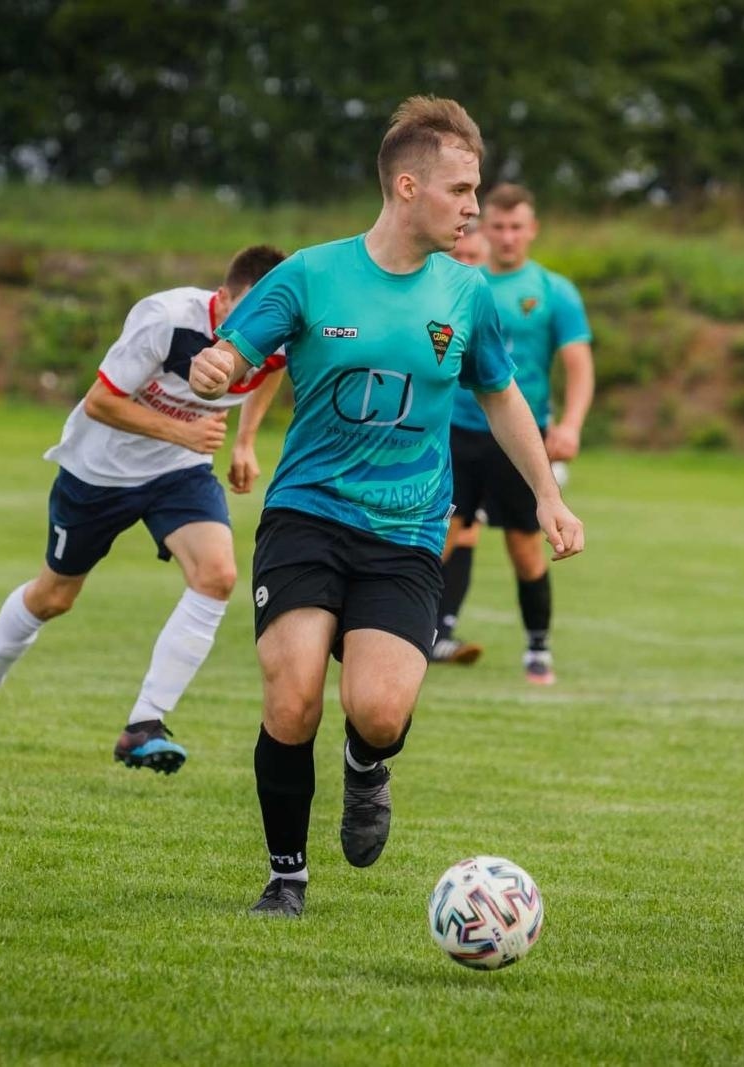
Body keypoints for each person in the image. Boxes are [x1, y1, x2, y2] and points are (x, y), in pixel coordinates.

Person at [189, 96, 585, 917]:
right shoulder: (311, 273)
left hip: (407, 531)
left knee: (376, 709)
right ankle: (286, 875)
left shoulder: (467, 293)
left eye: (477, 191)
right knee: (292, 695)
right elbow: (236, 347)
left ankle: (367, 767)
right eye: (460, 189)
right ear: (408, 187)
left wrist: (546, 493)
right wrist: (217, 368)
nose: (474, 207)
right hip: (308, 513)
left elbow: (504, 398)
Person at [0, 245, 288, 770]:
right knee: (54, 596)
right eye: (243, 313)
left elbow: (270, 371)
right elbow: (100, 402)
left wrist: (245, 441)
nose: (253, 330)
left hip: (178, 472)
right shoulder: (166, 319)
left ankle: (144, 725)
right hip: (97, 472)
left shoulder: (277, 331)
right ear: (221, 299)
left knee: (217, 575)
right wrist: (186, 430)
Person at [430, 183, 594, 684]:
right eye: (497, 226)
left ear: (532, 230)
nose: (506, 237)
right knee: (441, 535)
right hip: (457, 429)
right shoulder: (460, 286)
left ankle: (537, 646)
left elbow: (578, 363)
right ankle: (420, 633)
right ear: (487, 230)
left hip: (521, 437)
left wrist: (569, 425)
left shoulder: (553, 291)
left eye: (516, 227)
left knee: (525, 547)